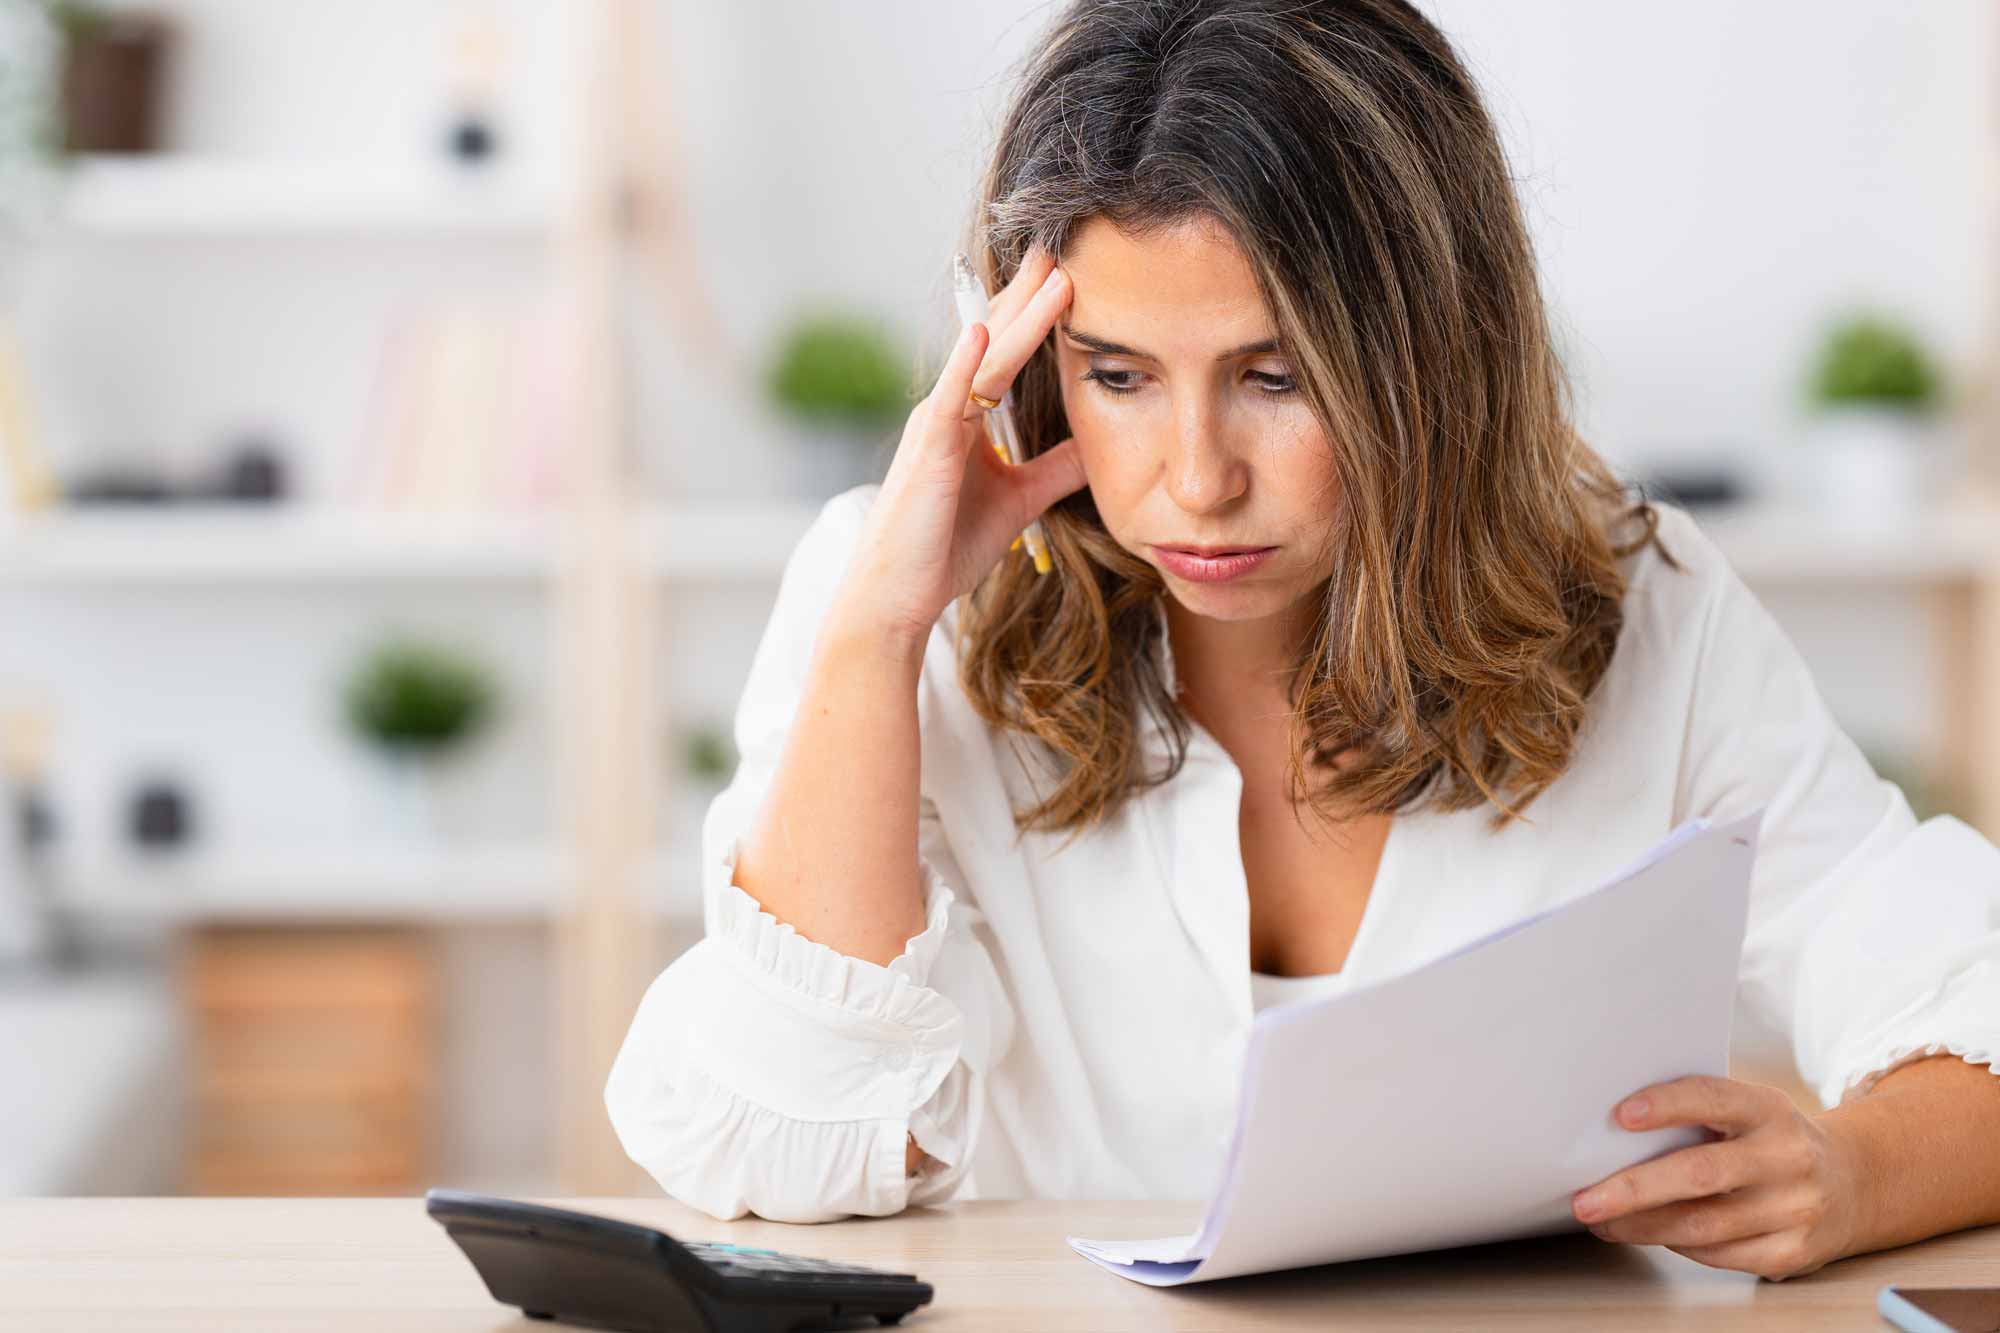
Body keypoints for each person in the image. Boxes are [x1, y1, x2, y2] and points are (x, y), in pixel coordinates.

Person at [606, 0, 2000, 1280]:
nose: (1197, 477)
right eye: (1118, 377)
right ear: (1025, 356)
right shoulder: (902, 607)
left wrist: (1857, 1166)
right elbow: (773, 1142)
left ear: (1435, 357)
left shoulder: (1642, 609)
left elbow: (1966, 991)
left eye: (1274, 377)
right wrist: (879, 633)